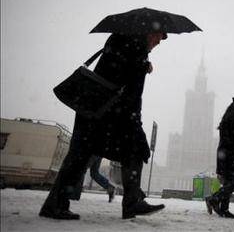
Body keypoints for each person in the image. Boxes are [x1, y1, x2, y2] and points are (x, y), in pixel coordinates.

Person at [39, 32, 167, 220]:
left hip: (96, 107)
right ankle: (131, 202)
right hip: (107, 111)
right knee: (130, 149)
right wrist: (141, 67)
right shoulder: (135, 51)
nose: (158, 42)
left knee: (80, 155)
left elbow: (113, 70)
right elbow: (131, 94)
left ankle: (56, 203)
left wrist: (140, 65)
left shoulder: (122, 40)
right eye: (158, 37)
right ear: (147, 32)